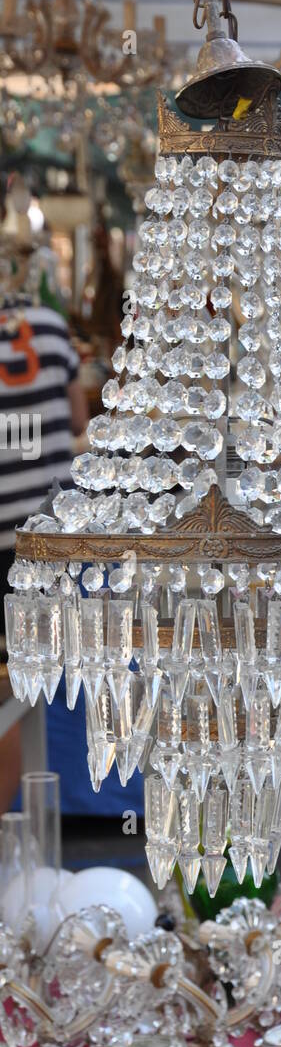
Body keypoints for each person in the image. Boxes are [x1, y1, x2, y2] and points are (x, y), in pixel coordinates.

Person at [0, 265, 88, 812]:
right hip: (54, 536)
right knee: (45, 681)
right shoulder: (52, 328)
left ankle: (16, 832)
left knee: (7, 696)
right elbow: (80, 417)